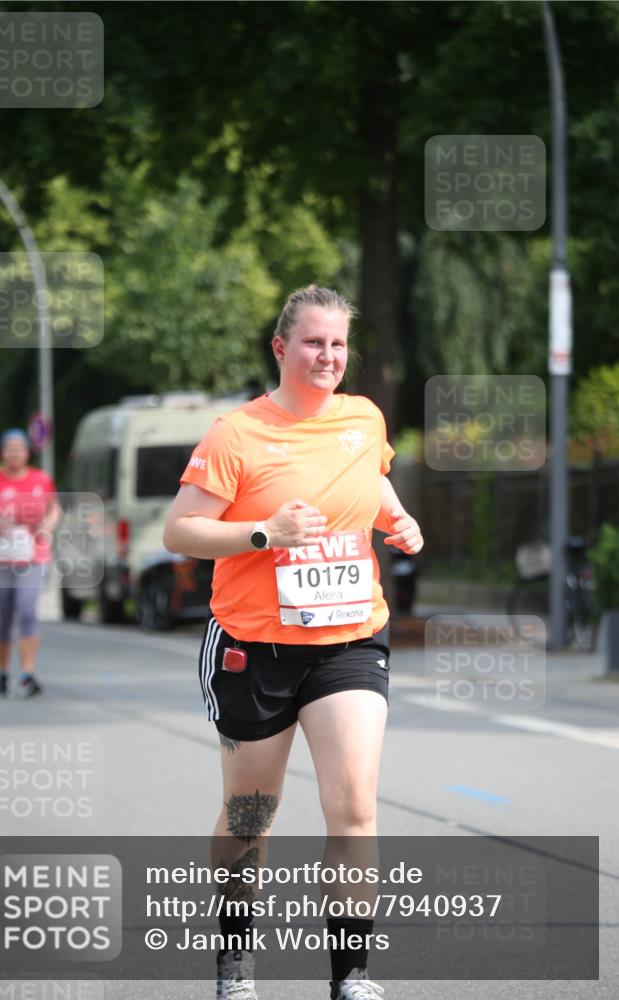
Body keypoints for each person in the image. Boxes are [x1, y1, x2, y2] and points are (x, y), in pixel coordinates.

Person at [163, 285, 423, 1000]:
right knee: (252, 814)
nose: (327, 356)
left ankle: (351, 978)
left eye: (337, 344)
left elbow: (371, 480)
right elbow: (181, 530)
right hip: (255, 647)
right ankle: (236, 963)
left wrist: (398, 519)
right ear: (281, 348)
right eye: (313, 342)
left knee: (355, 806)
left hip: (349, 641)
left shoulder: (363, 418)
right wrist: (264, 533)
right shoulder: (235, 433)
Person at [0, 429, 60, 697]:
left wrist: (48, 525)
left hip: (33, 556)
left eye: (20, 448)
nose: (15, 453)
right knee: (4, 616)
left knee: (27, 610)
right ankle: (3, 672)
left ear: (28, 453)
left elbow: (54, 508)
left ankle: (28, 674)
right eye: (10, 448)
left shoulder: (41, 479)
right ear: (1, 453)